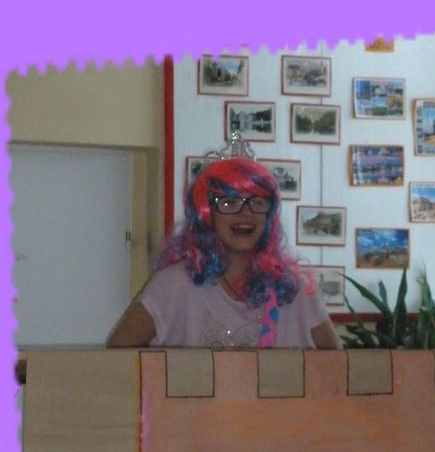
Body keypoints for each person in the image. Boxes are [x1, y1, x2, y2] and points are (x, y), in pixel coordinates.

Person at [107, 147, 341, 350]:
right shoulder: (174, 286)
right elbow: (117, 356)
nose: (245, 213)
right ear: (207, 214)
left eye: (257, 202)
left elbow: (337, 368)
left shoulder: (294, 290)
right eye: (229, 203)